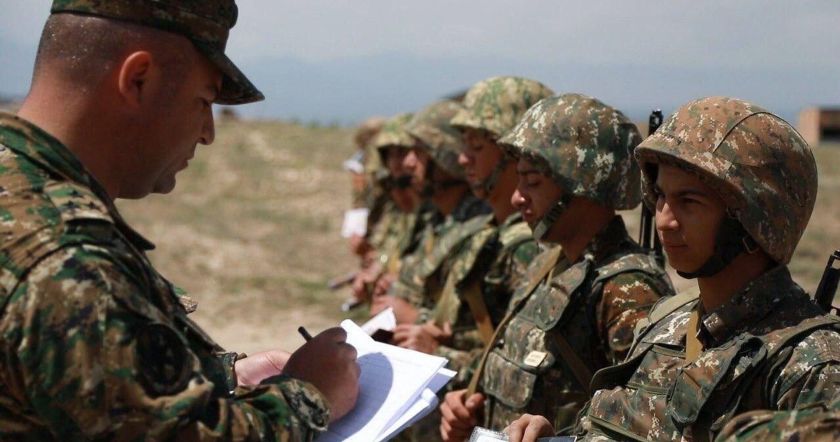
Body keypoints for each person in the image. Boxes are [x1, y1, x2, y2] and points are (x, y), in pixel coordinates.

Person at [0, 1, 359, 439]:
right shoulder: (63, 258)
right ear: (138, 79)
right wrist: (311, 394)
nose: (208, 132)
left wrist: (221, 377)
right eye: (204, 101)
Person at [506, 96, 840, 441]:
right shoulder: (667, 323)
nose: (664, 220)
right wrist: (557, 437)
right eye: (661, 196)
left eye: (688, 202)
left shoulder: (808, 365)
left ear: (755, 220)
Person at [439, 93, 674, 441]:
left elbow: (650, 424)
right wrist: (467, 402)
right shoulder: (548, 265)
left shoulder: (628, 289)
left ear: (583, 185)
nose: (518, 197)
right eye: (519, 180)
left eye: (533, 182)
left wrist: (562, 438)